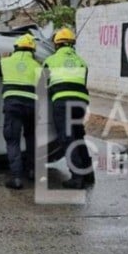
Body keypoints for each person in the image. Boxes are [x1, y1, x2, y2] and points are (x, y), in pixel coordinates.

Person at [45, 27, 95, 189]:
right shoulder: (82, 62)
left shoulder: (50, 60)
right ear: (72, 44)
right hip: (80, 104)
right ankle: (88, 174)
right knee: (78, 136)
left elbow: (44, 85)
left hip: (62, 102)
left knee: (67, 139)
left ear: (56, 44)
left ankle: (77, 177)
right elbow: (82, 83)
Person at [0, 34, 43, 190]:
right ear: (33, 50)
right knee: (31, 138)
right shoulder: (38, 65)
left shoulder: (5, 62)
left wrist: (2, 59)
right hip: (32, 106)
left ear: (15, 48)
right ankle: (32, 171)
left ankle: (16, 177)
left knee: (12, 140)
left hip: (13, 106)